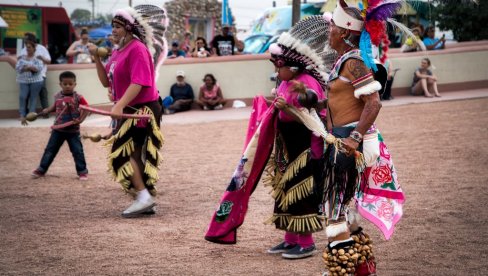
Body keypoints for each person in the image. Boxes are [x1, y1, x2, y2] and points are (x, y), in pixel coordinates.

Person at [321, 1, 405, 274]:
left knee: (335, 212)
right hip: (340, 141)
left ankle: (344, 271)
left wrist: (354, 138)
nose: (328, 30)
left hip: (347, 144)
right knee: (345, 210)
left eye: (332, 26)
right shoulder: (344, 60)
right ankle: (361, 269)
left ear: (345, 32)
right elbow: (342, 102)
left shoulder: (354, 61)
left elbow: (374, 103)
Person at [88, 5, 168, 217]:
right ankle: (145, 197)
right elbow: (107, 81)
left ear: (129, 28)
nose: (113, 29)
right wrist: (96, 58)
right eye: (112, 25)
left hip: (141, 110)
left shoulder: (137, 48)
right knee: (131, 153)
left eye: (118, 26)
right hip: (128, 109)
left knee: (122, 152)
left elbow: (139, 82)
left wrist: (120, 103)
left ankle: (143, 197)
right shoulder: (117, 52)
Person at [264, 15, 331, 260]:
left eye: (277, 66)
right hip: (288, 147)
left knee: (302, 193)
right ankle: (290, 239)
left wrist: (293, 105)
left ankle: (307, 242)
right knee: (287, 190)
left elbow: (312, 103)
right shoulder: (287, 81)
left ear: (290, 66)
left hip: (306, 149)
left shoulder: (305, 82)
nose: (275, 71)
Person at [31, 71, 89, 180]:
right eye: (65, 84)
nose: (68, 86)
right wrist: (47, 110)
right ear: (60, 84)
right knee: (50, 150)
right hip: (58, 130)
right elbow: (54, 107)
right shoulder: (57, 96)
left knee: (77, 151)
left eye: (70, 84)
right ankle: (41, 169)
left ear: (75, 84)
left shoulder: (79, 97)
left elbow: (87, 108)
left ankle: (82, 172)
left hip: (73, 131)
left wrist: (80, 120)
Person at [21, 33, 51, 115]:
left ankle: (46, 114)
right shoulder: (24, 50)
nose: (25, 42)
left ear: (32, 41)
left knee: (43, 94)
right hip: (27, 76)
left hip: (41, 75)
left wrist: (41, 58)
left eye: (26, 40)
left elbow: (49, 61)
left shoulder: (42, 48)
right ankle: (25, 115)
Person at [16, 40, 44, 125]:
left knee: (33, 97)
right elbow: (18, 68)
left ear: (33, 48)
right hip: (23, 80)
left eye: (29, 47)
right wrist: (27, 68)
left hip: (36, 81)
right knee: (22, 96)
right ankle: (22, 114)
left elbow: (38, 69)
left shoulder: (37, 58)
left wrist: (28, 67)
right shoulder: (22, 58)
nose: (27, 49)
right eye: (26, 47)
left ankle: (31, 115)